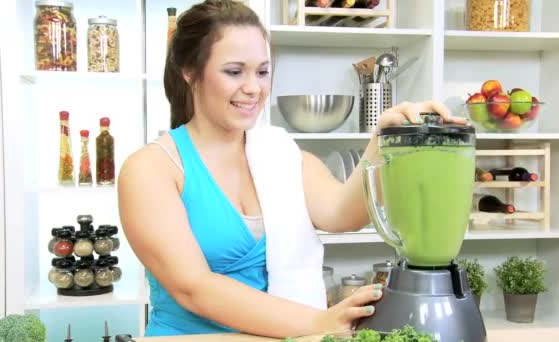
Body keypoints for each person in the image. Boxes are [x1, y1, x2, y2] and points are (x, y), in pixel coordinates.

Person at [117, 0, 468, 338]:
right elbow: (194, 288)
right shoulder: (151, 170)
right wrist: (320, 321)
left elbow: (341, 215)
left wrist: (383, 139)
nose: (253, 88)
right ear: (190, 72)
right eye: (234, 71)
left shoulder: (280, 156)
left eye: (263, 71)